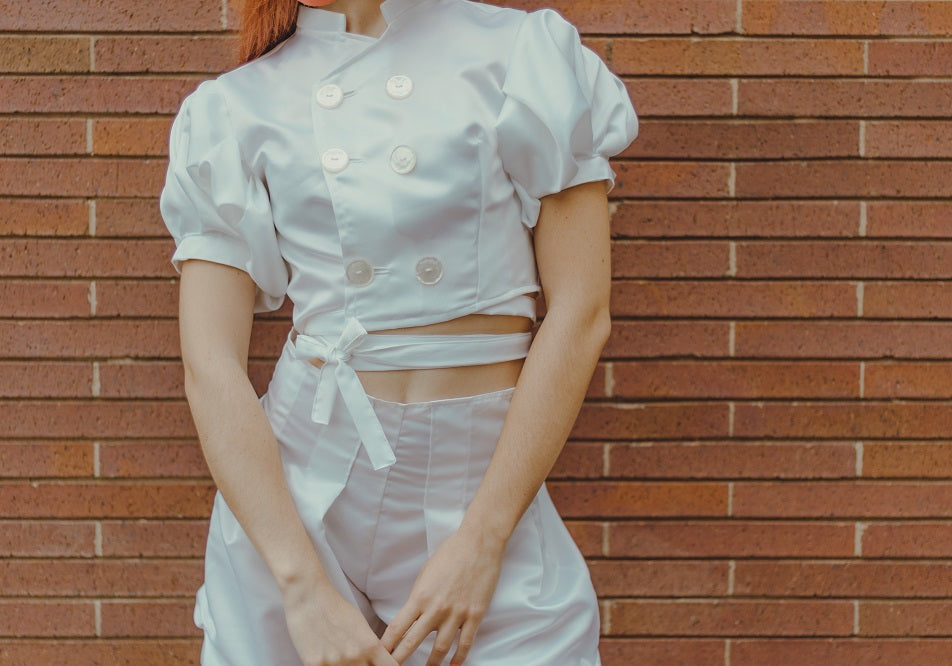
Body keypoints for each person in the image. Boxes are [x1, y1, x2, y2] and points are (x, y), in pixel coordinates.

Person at [158, 0, 638, 663]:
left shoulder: (519, 53)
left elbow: (582, 312)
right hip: (299, 501)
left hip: (483, 483)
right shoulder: (235, 107)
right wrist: (301, 588)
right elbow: (210, 365)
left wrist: (482, 542)